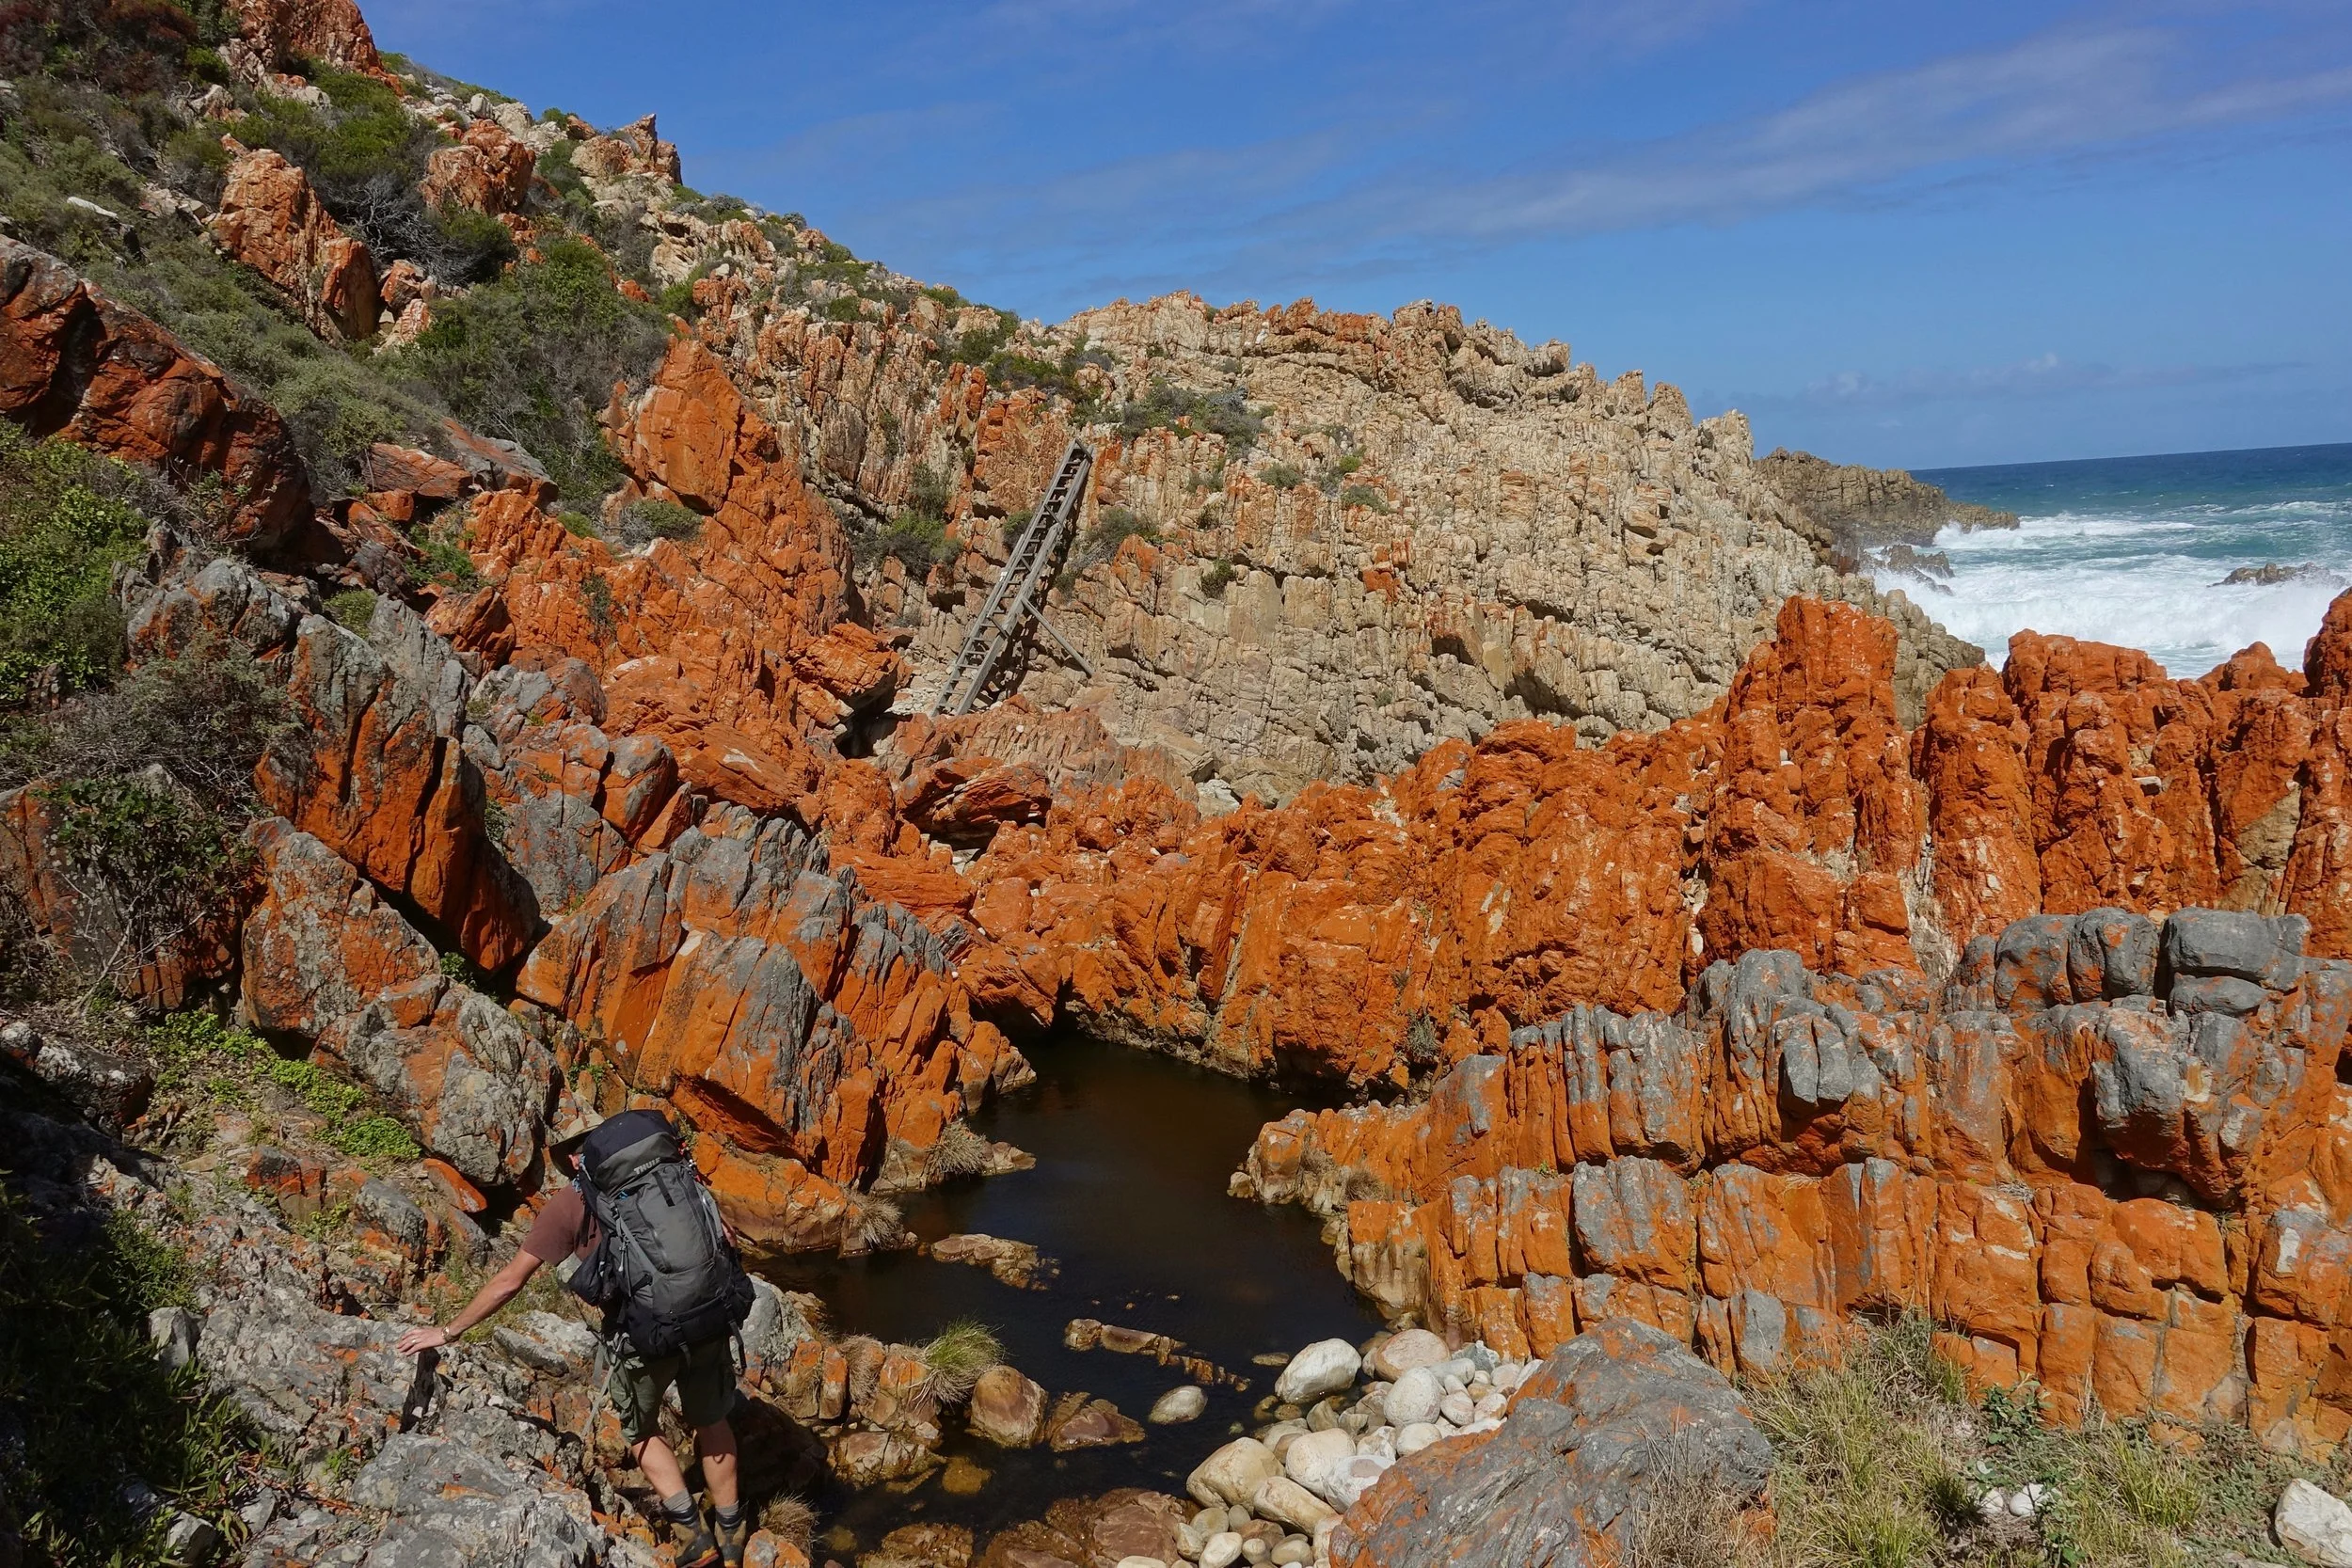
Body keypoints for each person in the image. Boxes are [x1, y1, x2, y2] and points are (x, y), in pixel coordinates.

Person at [397, 1122, 751, 1568]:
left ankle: (691, 1535)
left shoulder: (569, 1205)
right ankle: (733, 1535)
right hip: (709, 1318)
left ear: (578, 1158)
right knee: (713, 1420)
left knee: (641, 1431)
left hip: (643, 1336)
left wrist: (447, 1331)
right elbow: (723, 1239)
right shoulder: (671, 1175)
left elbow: (510, 1282)